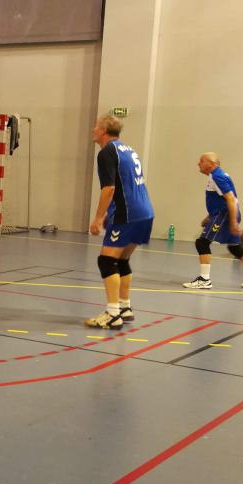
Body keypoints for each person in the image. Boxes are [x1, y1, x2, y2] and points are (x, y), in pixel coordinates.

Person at [85, 114, 154, 329]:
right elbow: (126, 184)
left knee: (106, 261)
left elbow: (109, 188)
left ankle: (113, 314)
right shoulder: (128, 149)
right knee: (122, 260)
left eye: (96, 127)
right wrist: (110, 213)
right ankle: (124, 307)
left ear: (103, 131)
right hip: (144, 211)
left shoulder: (107, 152)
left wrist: (97, 218)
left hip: (128, 213)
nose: (93, 130)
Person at [183, 153, 243, 290]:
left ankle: (204, 279)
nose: (198, 163)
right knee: (234, 247)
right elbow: (220, 200)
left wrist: (233, 221)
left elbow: (231, 199)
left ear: (211, 164)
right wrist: (209, 217)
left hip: (224, 215)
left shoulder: (217, 177)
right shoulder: (216, 175)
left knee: (202, 242)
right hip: (223, 214)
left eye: (202, 161)